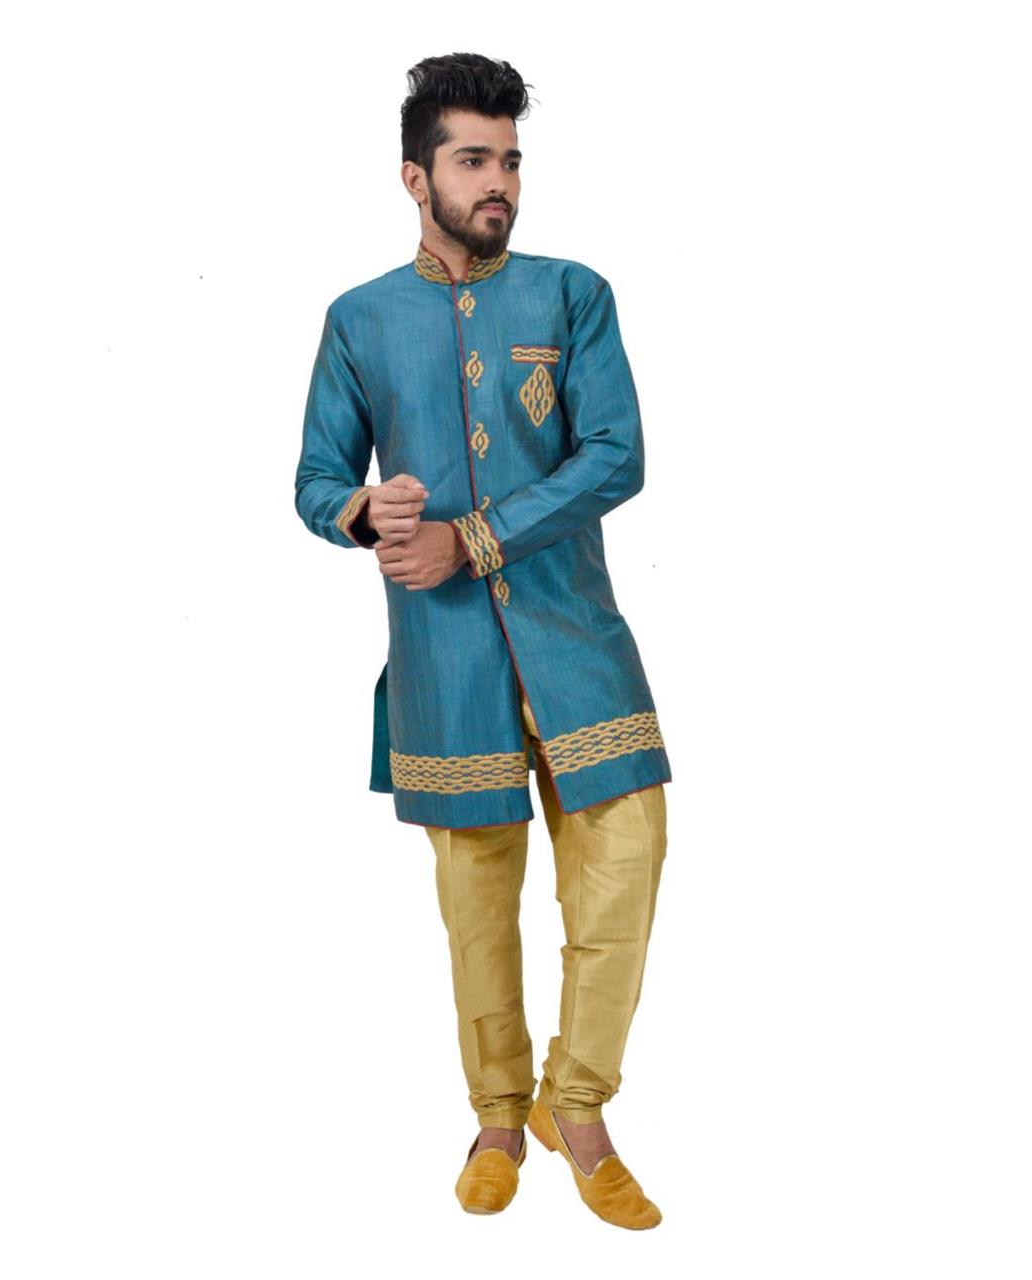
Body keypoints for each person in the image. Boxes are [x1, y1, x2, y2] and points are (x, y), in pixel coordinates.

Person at [293, 52, 670, 1230]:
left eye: (509, 159)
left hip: (576, 638)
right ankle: (499, 1115)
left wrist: (477, 536)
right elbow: (316, 481)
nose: (498, 179)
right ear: (417, 177)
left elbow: (616, 454)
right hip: (443, 659)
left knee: (629, 855)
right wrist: (366, 511)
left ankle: (577, 1104)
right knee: (476, 897)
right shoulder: (360, 318)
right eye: (473, 160)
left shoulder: (572, 294)